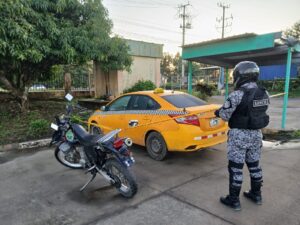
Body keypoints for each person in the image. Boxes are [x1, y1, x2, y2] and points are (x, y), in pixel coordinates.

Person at [215, 61, 270, 211]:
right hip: (256, 135)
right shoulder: (264, 92)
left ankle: (234, 200)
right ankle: (256, 194)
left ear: (241, 76)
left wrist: (218, 112)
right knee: (254, 166)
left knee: (236, 168)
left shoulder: (237, 94)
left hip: (239, 136)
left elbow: (225, 115)